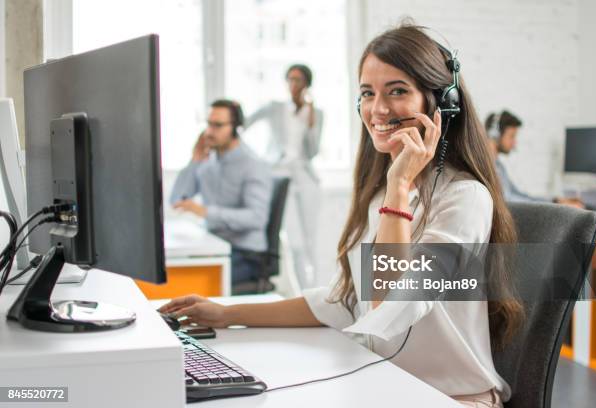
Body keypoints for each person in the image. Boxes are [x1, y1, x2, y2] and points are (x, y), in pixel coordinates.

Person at [161, 23, 525, 407]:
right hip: (386, 386)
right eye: (368, 93)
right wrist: (227, 313)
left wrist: (400, 183)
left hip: (452, 398)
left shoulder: (464, 199)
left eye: (397, 91)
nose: (378, 109)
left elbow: (390, 306)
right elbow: (347, 300)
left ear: (441, 103)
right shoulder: (383, 195)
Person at [170, 99, 273, 287]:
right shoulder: (208, 161)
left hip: (246, 254)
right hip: (213, 246)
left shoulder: (253, 164)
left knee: (188, 284)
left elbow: (257, 218)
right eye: (208, 124)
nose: (209, 132)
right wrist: (194, 160)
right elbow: (177, 200)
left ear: (236, 128)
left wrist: (206, 212)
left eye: (217, 125)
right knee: (171, 272)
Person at [243, 64, 324, 288]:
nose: (293, 84)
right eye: (289, 79)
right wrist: (259, 160)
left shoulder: (316, 113)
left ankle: (316, 289)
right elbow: (243, 124)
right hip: (280, 175)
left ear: (307, 84)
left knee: (310, 240)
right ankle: (301, 292)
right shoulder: (274, 108)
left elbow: (313, 151)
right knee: (294, 241)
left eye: (298, 80)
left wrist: (310, 124)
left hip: (305, 177)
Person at [485, 110, 584, 207]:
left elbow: (519, 195)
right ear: (495, 135)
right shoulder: (488, 167)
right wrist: (558, 206)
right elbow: (510, 201)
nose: (514, 143)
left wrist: (555, 200)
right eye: (512, 136)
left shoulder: (499, 166)